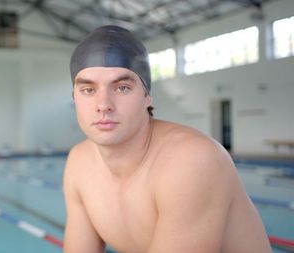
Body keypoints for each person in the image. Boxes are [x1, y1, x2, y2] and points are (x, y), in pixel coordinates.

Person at [63, 25, 271, 253]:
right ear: (75, 97)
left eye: (122, 88)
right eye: (88, 90)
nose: (104, 105)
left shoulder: (192, 160)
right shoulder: (79, 162)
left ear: (147, 96)